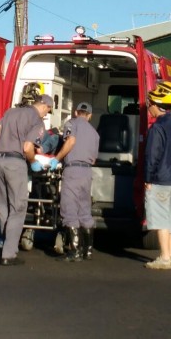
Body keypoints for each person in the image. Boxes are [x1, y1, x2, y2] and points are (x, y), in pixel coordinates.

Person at [0, 94, 52, 266]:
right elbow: (27, 147)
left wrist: (6, 144)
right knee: (18, 207)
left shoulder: (11, 112)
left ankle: (6, 244)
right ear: (44, 105)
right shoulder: (37, 121)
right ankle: (8, 255)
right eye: (48, 109)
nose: (47, 113)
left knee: (3, 207)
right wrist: (32, 161)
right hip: (15, 163)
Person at [143, 81, 171, 270]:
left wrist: (148, 178)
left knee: (160, 219)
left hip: (160, 179)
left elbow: (152, 155)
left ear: (158, 104)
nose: (148, 107)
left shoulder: (157, 128)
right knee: (170, 219)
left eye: (149, 103)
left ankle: (164, 258)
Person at [51, 102, 99, 262]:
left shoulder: (71, 123)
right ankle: (88, 251)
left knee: (69, 208)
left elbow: (70, 142)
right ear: (90, 115)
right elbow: (93, 159)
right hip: (86, 172)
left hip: (73, 170)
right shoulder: (94, 133)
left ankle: (74, 252)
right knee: (84, 209)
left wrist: (57, 159)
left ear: (76, 112)